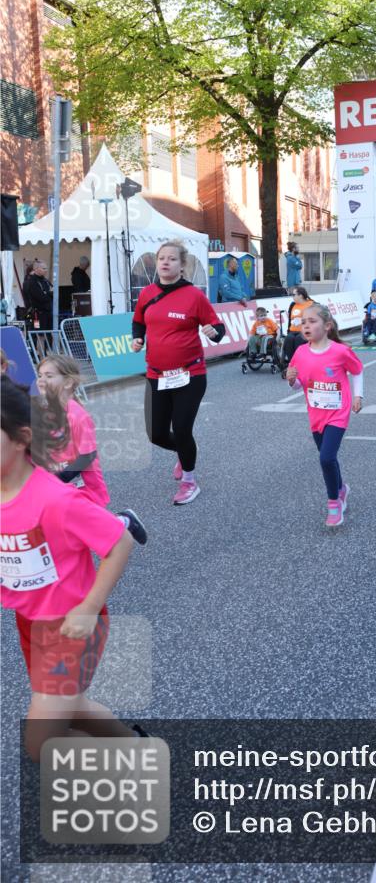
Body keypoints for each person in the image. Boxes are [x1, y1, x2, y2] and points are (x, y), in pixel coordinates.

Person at [0, 377, 137, 761]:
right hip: (30, 620)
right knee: (73, 706)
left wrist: (89, 607)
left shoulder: (56, 500)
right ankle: (132, 747)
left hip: (71, 625)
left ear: (22, 438)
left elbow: (119, 542)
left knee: (40, 744)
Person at [131, 240, 225, 506]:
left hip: (189, 374)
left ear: (182, 266)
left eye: (172, 259)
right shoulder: (147, 293)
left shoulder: (194, 296)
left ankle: (189, 481)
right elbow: (138, 322)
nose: (165, 262)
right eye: (162, 258)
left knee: (182, 428)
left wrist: (214, 332)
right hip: (156, 374)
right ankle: (184, 453)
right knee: (156, 433)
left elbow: (217, 326)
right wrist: (137, 339)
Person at [34, 355, 147, 544]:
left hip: (83, 485)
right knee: (73, 528)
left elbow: (87, 456)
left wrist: (59, 478)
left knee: (85, 529)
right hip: (60, 484)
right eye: (39, 375)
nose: (41, 381)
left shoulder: (78, 415)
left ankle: (126, 521)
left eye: (49, 376)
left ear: (68, 382)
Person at [285, 304, 363, 527]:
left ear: (327, 326)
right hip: (316, 413)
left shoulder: (340, 351)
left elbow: (357, 371)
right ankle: (341, 489)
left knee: (326, 457)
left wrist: (359, 396)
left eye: (312, 321)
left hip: (338, 412)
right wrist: (291, 379)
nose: (306, 325)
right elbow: (298, 385)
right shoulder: (300, 352)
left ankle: (333, 503)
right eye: (303, 322)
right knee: (328, 457)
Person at [282, 286, 314, 363]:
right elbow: (290, 320)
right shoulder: (293, 305)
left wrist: (303, 320)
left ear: (301, 296)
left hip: (305, 330)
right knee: (289, 339)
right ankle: (291, 362)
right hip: (293, 330)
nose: (292, 296)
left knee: (299, 339)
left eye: (294, 294)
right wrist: (288, 330)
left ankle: (300, 361)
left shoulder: (311, 304)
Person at [24, 260, 53, 331]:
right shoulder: (32, 282)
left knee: (51, 332)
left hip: (48, 312)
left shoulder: (45, 281)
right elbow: (41, 297)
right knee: (39, 333)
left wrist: (48, 293)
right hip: (37, 314)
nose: (46, 270)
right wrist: (49, 293)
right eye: (44, 268)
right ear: (36, 269)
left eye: (46, 268)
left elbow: (53, 292)